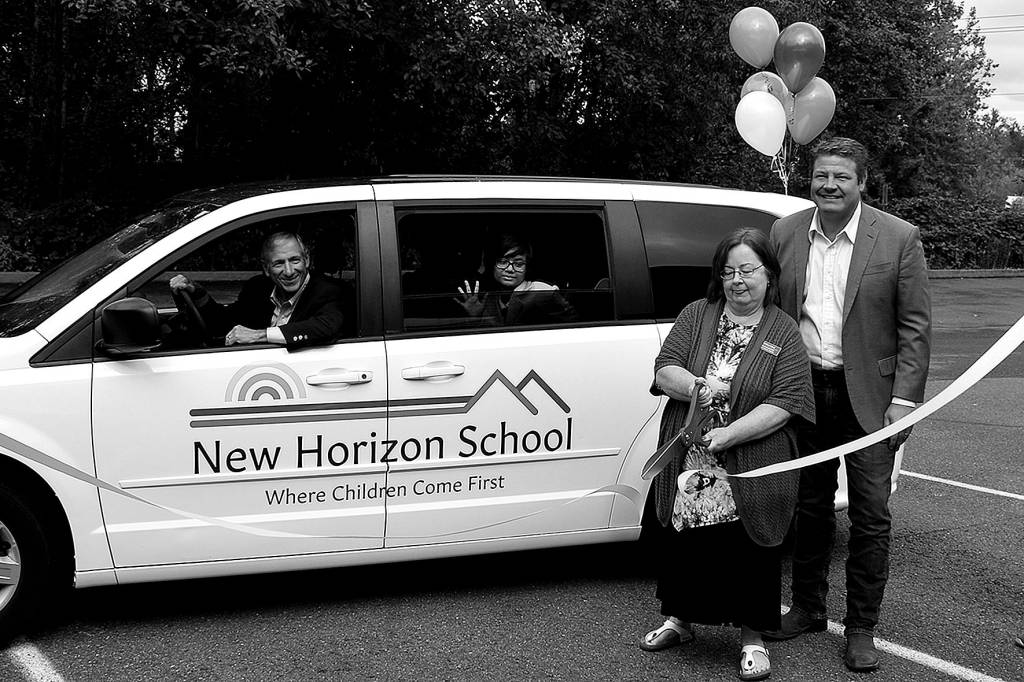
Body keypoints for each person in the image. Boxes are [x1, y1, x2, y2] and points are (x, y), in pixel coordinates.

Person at [764, 137, 931, 673]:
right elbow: (772, 311)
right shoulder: (785, 232)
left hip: (873, 402)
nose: (828, 186)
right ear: (809, 180)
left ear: (862, 182)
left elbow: (915, 329)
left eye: (840, 177)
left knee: (871, 516)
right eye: (820, 176)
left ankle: (862, 627)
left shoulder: (899, 238)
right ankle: (809, 608)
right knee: (808, 511)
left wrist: (904, 403)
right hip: (805, 393)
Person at [641, 228, 814, 682]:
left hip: (752, 463)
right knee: (688, 543)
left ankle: (753, 638)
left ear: (769, 275)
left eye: (748, 270)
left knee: (749, 548)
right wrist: (698, 387)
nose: (738, 280)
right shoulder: (697, 314)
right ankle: (679, 620)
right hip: (692, 457)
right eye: (729, 271)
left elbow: (788, 401)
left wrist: (732, 434)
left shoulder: (783, 330)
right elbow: (665, 371)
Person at [169, 231, 347, 348]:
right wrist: (198, 294)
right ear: (266, 268)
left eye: (295, 260)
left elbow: (327, 327)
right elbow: (224, 323)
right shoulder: (258, 288)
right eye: (279, 263)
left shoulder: (328, 290)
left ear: (306, 260)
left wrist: (258, 335)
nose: (289, 271)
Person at [454, 233, 576, 325]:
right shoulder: (490, 298)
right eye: (502, 262)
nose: (510, 269)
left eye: (518, 264)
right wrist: (475, 318)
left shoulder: (541, 292)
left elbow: (573, 327)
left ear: (527, 267)